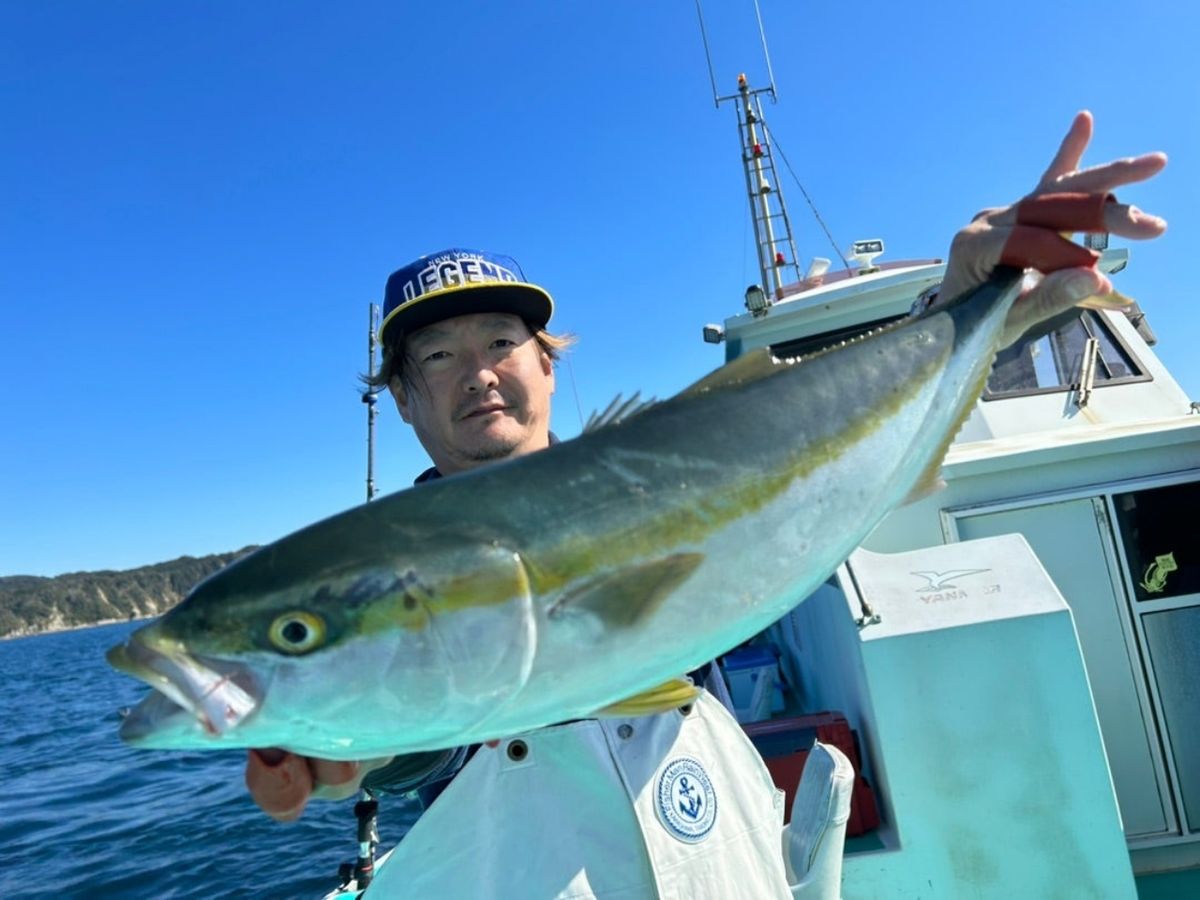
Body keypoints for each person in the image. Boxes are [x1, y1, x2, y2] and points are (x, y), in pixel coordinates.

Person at [242, 111, 1166, 897]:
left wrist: (963, 302)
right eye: (437, 357)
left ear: (547, 364)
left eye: (500, 340)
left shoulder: (668, 463)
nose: (478, 373)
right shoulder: (379, 572)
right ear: (402, 398)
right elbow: (420, 740)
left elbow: (810, 432)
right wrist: (355, 743)